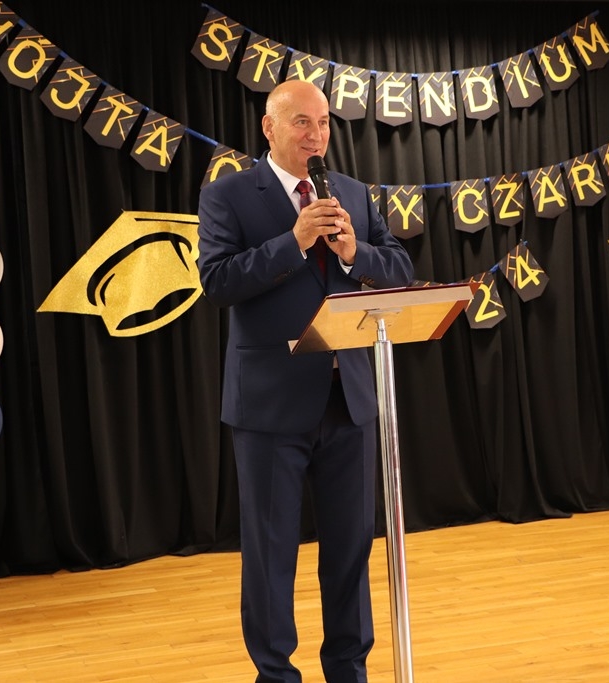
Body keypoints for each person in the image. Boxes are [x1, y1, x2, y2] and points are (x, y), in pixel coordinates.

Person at [196, 79, 414, 683]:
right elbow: (217, 282)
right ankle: (275, 675)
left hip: (350, 400)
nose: (316, 136)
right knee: (271, 556)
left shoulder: (352, 193)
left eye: (323, 124)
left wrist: (353, 254)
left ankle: (348, 671)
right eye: (302, 123)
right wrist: (293, 242)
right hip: (271, 405)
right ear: (269, 128)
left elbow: (399, 267)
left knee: (350, 551)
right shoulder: (228, 195)